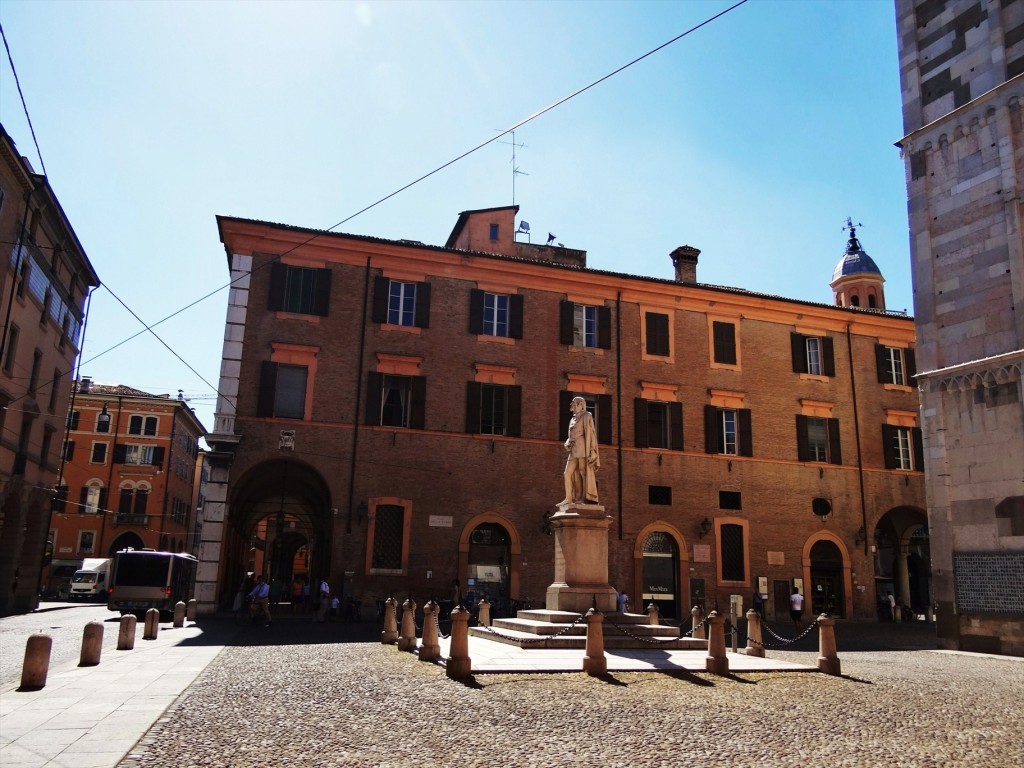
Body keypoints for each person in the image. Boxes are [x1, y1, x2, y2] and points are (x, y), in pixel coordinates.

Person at [562, 396, 600, 505]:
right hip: (573, 449)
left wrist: (593, 451)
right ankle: (569, 498)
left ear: (580, 404)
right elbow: (571, 435)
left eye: (574, 404)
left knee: (583, 473)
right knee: (568, 473)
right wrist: (567, 443)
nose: (572, 406)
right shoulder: (572, 419)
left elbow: (592, 434)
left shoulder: (587, 416)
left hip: (583, 448)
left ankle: (584, 498)